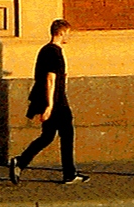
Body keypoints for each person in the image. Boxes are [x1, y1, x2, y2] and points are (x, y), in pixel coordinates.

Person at [7, 17, 85, 184]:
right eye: (68, 34)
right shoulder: (53, 52)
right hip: (57, 103)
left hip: (53, 100)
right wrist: (49, 105)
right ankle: (69, 174)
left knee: (48, 136)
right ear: (61, 32)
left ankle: (20, 162)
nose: (68, 37)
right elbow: (50, 78)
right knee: (67, 135)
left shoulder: (45, 50)